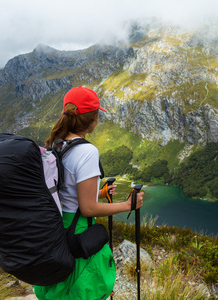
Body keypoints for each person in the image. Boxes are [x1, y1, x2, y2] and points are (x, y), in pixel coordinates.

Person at [34, 86, 144, 300]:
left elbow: (64, 189)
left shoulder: (56, 144)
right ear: (93, 119)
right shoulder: (87, 151)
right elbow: (87, 208)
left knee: (61, 288)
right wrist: (128, 205)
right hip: (78, 230)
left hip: (57, 226)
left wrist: (99, 193)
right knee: (83, 289)